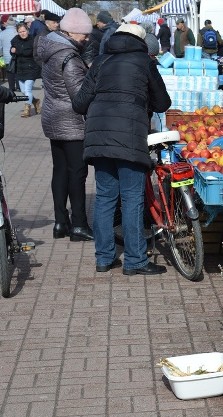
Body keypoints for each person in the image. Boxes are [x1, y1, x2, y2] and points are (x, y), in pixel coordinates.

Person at [72, 23, 172, 276]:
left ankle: (104, 258)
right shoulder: (144, 62)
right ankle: (135, 261)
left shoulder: (100, 62)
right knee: (132, 199)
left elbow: (79, 103)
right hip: (129, 137)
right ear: (141, 41)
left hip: (99, 137)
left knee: (105, 198)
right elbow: (163, 102)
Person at [36, 8, 94, 242]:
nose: (87, 39)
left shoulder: (51, 48)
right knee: (77, 172)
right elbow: (79, 96)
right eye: (84, 35)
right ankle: (79, 224)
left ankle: (61, 222)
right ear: (71, 32)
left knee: (59, 170)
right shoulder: (69, 57)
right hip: (70, 121)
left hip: (52, 116)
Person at [10, 23, 41, 117]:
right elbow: (13, 51)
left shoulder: (33, 40)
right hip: (20, 69)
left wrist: (17, 51)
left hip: (31, 68)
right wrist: (11, 50)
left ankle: (27, 109)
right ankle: (35, 101)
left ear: (27, 30)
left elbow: (28, 52)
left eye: (23, 31)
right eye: (20, 32)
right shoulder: (15, 40)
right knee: (23, 91)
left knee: (27, 89)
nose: (22, 33)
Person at [0, 17, 18, 92]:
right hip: (17, 55)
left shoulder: (2, 33)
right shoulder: (17, 32)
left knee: (10, 72)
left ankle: (11, 87)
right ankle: (19, 86)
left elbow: (0, 46)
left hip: (7, 56)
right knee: (17, 70)